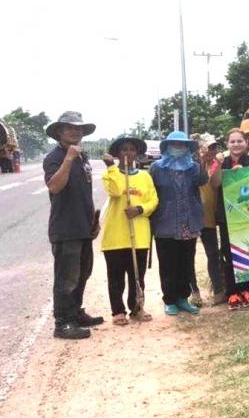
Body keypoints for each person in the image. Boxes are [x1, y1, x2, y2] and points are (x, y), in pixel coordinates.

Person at [43, 112, 103, 340]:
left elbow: (83, 194)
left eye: (79, 128)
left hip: (83, 227)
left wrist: (93, 222)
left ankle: (75, 313)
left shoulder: (82, 158)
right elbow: (55, 187)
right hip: (65, 229)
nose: (75, 131)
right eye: (69, 128)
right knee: (66, 278)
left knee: (82, 274)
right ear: (59, 131)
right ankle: (63, 323)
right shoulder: (55, 157)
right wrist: (68, 158)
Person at [149, 131, 208, 316]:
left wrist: (204, 161)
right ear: (167, 147)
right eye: (174, 144)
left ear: (186, 148)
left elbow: (203, 181)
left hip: (189, 221)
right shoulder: (156, 167)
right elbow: (151, 192)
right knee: (168, 263)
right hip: (166, 222)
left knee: (186, 262)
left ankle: (183, 298)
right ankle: (169, 300)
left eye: (181, 145)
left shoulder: (194, 167)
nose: (178, 148)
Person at [101, 136, 158, 325]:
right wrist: (111, 168)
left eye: (131, 149)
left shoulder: (145, 176)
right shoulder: (111, 174)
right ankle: (118, 311)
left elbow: (153, 200)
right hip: (116, 235)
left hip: (139, 235)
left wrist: (140, 209)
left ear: (137, 153)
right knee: (116, 277)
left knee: (137, 276)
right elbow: (116, 192)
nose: (128, 153)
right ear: (117, 154)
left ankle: (137, 308)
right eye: (123, 150)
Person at [212, 128, 249, 310]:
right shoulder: (220, 161)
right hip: (226, 214)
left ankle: (248, 289)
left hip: (248, 213)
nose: (236, 144)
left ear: (246, 143)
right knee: (228, 252)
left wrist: (244, 174)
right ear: (227, 144)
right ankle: (232, 292)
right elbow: (215, 184)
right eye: (232, 141)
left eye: (239, 141)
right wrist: (220, 167)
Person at [194, 135, 225, 306]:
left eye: (213, 148)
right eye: (206, 148)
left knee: (213, 253)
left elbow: (215, 184)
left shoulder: (214, 165)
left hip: (209, 217)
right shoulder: (192, 165)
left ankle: (218, 290)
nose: (210, 151)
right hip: (191, 217)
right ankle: (194, 292)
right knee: (188, 255)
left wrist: (217, 165)